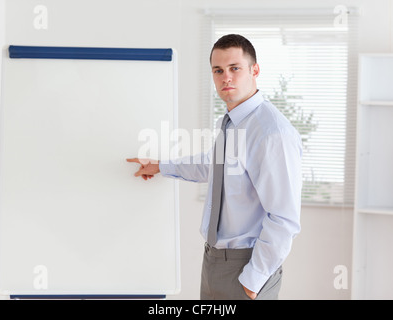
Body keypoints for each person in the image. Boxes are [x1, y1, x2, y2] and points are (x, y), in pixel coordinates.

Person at [127, 34, 302, 300]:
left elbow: (284, 217)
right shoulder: (233, 121)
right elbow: (214, 166)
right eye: (218, 70)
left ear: (254, 70)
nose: (226, 78)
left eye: (235, 68)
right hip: (213, 262)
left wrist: (252, 281)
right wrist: (160, 166)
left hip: (246, 268)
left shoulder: (271, 132)